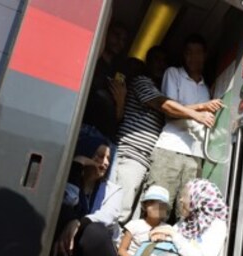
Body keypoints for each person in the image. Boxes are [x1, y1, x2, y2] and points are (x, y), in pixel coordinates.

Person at [113, 48, 219, 223]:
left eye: (164, 60)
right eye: (156, 59)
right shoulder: (142, 82)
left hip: (146, 157)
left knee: (134, 215)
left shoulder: (157, 89)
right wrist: (200, 111)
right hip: (132, 153)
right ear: (148, 62)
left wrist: (205, 102)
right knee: (121, 211)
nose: (161, 64)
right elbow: (164, 106)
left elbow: (171, 107)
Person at [37, 134, 122, 256]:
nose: (105, 163)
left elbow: (107, 216)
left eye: (109, 158)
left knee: (94, 230)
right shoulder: (68, 180)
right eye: (99, 156)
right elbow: (67, 201)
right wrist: (76, 168)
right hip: (67, 253)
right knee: (64, 215)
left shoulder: (113, 190)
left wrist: (78, 223)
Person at [146, 34, 223, 214]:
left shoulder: (207, 88)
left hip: (196, 157)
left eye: (197, 53)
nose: (192, 58)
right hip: (170, 148)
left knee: (186, 215)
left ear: (205, 55)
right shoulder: (173, 73)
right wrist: (200, 111)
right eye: (188, 53)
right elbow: (169, 109)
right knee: (156, 211)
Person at [81, 21, 129, 141]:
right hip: (83, 125)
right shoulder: (91, 59)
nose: (119, 42)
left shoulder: (118, 71)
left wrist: (121, 102)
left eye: (123, 40)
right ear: (105, 33)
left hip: (105, 134)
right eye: (116, 35)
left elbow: (118, 117)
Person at [117, 185, 170, 256]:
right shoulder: (134, 225)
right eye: (152, 202)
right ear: (145, 206)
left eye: (161, 204)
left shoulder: (168, 229)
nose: (156, 207)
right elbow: (121, 251)